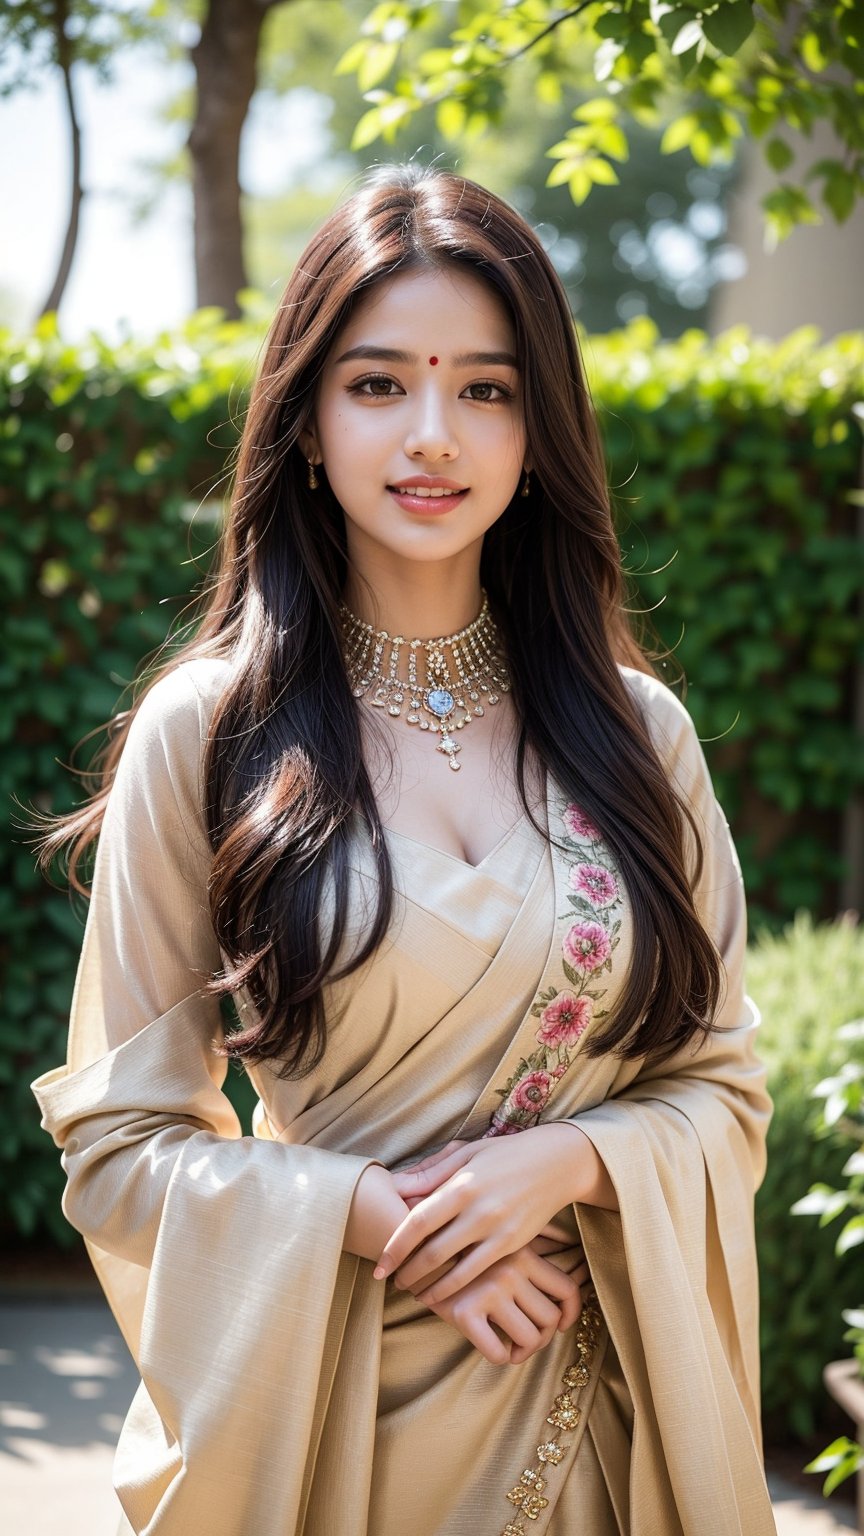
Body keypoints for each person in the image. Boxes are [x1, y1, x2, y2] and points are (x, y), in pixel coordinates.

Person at [30, 163, 777, 1536]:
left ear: (539, 431)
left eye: (486, 389)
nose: (433, 433)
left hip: (604, 1431)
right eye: (379, 384)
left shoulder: (640, 736)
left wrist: (569, 1166)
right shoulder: (210, 734)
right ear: (307, 423)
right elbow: (119, 1142)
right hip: (330, 1442)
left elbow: (720, 1093)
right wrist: (375, 1218)